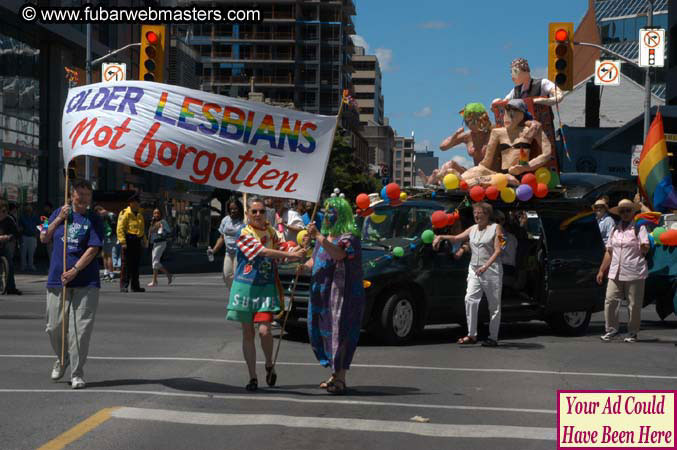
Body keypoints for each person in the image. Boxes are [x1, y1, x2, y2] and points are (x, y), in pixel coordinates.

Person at [227, 197, 305, 391]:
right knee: (248, 332)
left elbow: (283, 246)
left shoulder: (271, 231)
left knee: (265, 331)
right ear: (248, 214)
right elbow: (263, 252)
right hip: (245, 287)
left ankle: (269, 364)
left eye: (261, 211)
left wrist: (301, 244)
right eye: (254, 212)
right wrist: (291, 255)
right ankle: (252, 377)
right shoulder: (243, 233)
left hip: (266, 286)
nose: (258, 215)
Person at [40, 179, 103, 389]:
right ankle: (62, 358)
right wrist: (58, 218)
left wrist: (75, 270)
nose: (84, 199)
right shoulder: (58, 212)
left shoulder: (93, 218)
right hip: (57, 280)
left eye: (88, 195)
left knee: (79, 331)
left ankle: (77, 373)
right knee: (53, 326)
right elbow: (43, 236)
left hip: (86, 282)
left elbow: (94, 248)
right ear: (71, 194)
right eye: (80, 194)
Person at [302, 196, 366, 395]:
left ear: (342, 214)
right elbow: (314, 262)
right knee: (321, 333)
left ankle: (340, 378)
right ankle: (333, 373)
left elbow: (339, 255)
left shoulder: (349, 237)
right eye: (326, 210)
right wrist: (299, 264)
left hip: (341, 297)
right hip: (321, 295)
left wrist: (318, 236)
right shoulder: (326, 237)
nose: (327, 215)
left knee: (340, 334)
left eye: (332, 211)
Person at [433, 202, 504, 346]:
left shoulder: (496, 228)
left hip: (491, 270)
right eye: (475, 213)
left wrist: (485, 266)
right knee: (470, 299)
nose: (476, 216)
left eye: (479, 213)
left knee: (494, 305)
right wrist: (441, 236)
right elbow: (457, 238)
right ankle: (472, 335)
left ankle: (493, 337)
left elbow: (499, 250)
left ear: (487, 214)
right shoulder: (473, 229)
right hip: (474, 268)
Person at [462, 99, 553, 188]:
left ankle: (498, 179)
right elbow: (486, 164)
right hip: (502, 176)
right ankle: (500, 179)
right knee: (465, 178)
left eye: (512, 114)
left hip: (522, 176)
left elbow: (547, 153)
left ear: (521, 115)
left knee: (470, 182)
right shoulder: (497, 133)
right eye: (505, 113)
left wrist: (525, 167)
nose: (507, 117)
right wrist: (477, 171)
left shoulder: (531, 130)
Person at [596, 199, 649, 343]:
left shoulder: (639, 227)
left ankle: (632, 333)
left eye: (628, 210)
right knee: (610, 300)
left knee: (633, 304)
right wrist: (602, 270)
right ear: (619, 213)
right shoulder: (615, 229)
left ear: (633, 212)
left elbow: (645, 247)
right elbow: (609, 252)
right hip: (615, 271)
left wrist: (644, 247)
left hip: (634, 271)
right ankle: (611, 330)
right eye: (622, 211)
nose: (625, 213)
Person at [492, 57, 562, 148]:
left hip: (542, 131)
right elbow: (504, 103)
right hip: (521, 134)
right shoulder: (515, 91)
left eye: (515, 71)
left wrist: (543, 101)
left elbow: (559, 96)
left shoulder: (542, 83)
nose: (512, 76)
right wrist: (496, 104)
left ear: (525, 71)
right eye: (511, 72)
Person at [209, 200, 244, 293]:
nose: (233, 211)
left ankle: (237, 295)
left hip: (239, 253)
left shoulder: (244, 221)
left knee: (237, 276)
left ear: (240, 209)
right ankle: (233, 293)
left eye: (235, 209)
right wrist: (213, 250)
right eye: (231, 209)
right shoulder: (225, 220)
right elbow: (221, 238)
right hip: (228, 253)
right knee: (226, 275)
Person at [117, 193, 146, 293]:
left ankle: (135, 286)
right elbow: (120, 228)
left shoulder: (139, 214)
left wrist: (144, 241)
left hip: (137, 241)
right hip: (128, 240)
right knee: (126, 265)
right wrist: (123, 242)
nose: (138, 204)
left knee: (135, 264)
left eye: (138, 202)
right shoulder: (125, 213)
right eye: (136, 202)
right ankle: (124, 286)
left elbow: (142, 229)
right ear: (131, 203)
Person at [147, 208, 173, 287]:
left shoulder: (163, 222)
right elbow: (150, 233)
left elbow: (169, 231)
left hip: (161, 243)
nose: (156, 215)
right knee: (154, 262)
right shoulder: (153, 223)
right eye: (154, 213)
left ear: (160, 214)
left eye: (158, 213)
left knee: (155, 262)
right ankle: (156, 280)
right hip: (154, 244)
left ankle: (164, 276)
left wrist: (162, 231)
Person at [0, 201, 21, 295]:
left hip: (3, 245)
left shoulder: (9, 220)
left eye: (5, 211)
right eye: (2, 211)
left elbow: (16, 232)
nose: (4, 213)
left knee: (10, 264)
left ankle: (11, 287)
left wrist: (9, 237)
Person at [94, 206, 116, 282]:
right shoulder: (103, 216)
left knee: (108, 255)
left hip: (109, 236)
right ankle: (106, 272)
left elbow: (113, 226)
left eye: (98, 213)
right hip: (105, 237)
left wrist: (111, 234)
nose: (99, 215)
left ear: (100, 210)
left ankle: (111, 274)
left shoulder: (110, 215)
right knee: (104, 255)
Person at [18, 204, 40, 272]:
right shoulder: (22, 217)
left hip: (33, 236)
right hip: (24, 236)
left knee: (31, 252)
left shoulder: (35, 217)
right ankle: (23, 266)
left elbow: (40, 225)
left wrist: (39, 233)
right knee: (23, 252)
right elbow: (20, 227)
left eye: (29, 208)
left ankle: (31, 265)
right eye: (27, 208)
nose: (28, 209)